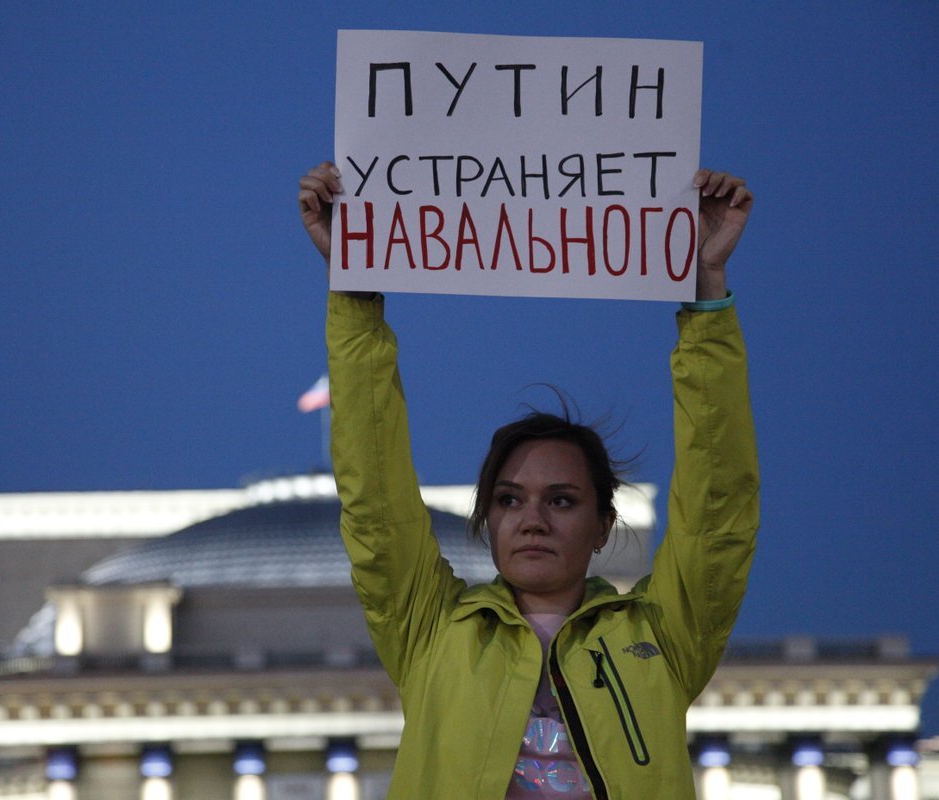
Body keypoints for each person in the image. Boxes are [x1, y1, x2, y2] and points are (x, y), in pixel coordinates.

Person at [299, 162, 759, 800]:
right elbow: (375, 495)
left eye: (562, 501)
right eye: (509, 500)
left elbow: (718, 507)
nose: (533, 519)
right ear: (488, 520)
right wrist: (353, 280)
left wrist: (707, 287)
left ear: (603, 526)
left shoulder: (662, 636)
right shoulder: (431, 630)